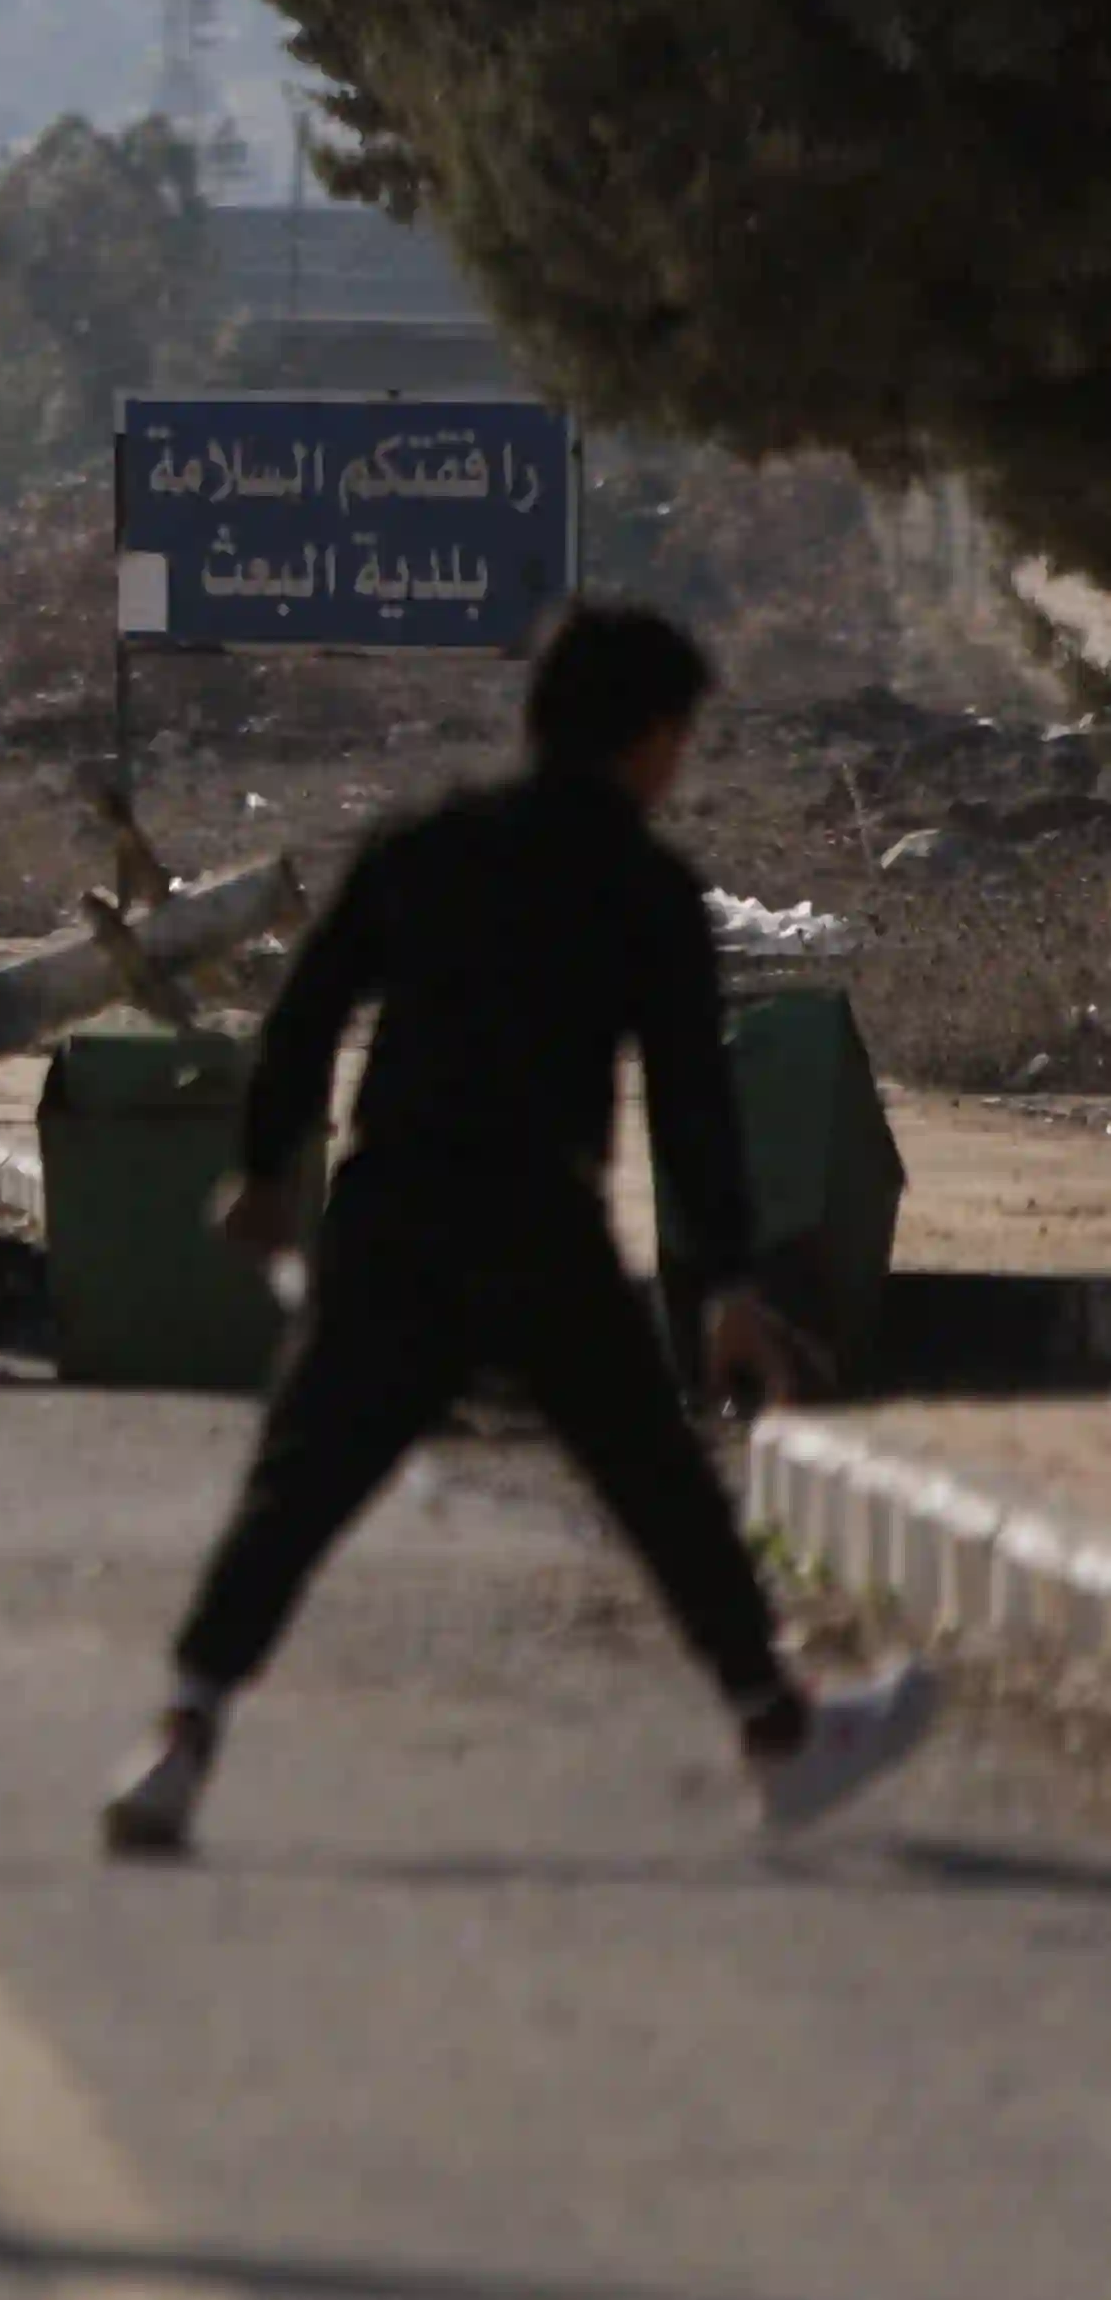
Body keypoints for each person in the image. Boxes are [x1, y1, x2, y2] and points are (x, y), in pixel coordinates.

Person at [102, 600, 934, 1858]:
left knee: (304, 1476)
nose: (681, 761)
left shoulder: (424, 845)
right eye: (680, 735)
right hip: (537, 1219)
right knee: (653, 1475)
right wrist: (721, 1289)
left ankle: (179, 1739)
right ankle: (780, 1733)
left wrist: (271, 1170)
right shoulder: (646, 886)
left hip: (394, 1207)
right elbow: (692, 1110)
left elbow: (306, 1015)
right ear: (650, 737)